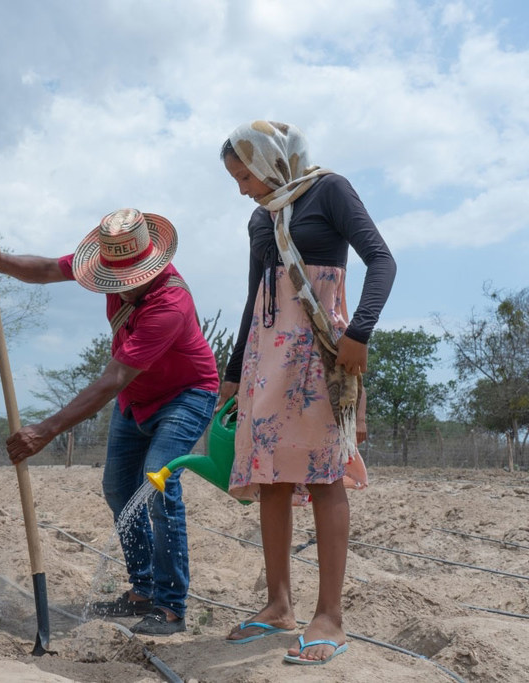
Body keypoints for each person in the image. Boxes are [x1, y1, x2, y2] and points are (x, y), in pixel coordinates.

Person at [0, 208, 219, 636]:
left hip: (185, 395)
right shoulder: (107, 265)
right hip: (134, 401)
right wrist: (2, 259)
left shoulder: (170, 304)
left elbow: (113, 377)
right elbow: (49, 268)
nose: (117, 286)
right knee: (119, 487)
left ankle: (171, 605)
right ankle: (142, 589)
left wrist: (44, 430)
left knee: (158, 484)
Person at [219, 121, 395, 664]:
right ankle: (278, 606)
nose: (242, 187)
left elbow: (382, 262)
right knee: (270, 480)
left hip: (322, 355)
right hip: (265, 359)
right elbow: (255, 298)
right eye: (237, 178)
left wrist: (359, 334)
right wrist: (231, 373)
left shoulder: (331, 190)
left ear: (270, 160)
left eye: (245, 173)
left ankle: (330, 617)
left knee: (323, 477)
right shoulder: (261, 216)